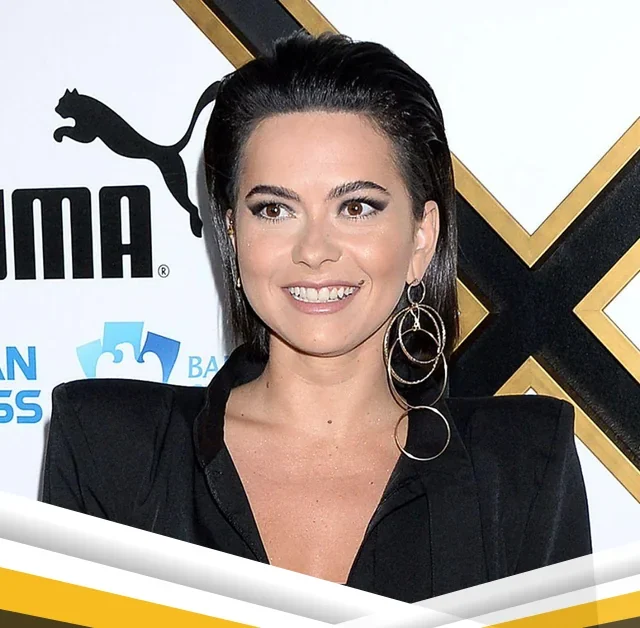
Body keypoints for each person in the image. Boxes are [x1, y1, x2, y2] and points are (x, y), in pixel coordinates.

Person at [42, 31, 591, 603]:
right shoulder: (108, 449)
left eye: (356, 207)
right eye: (274, 210)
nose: (314, 250)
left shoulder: (522, 467)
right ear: (233, 233)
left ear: (421, 237)